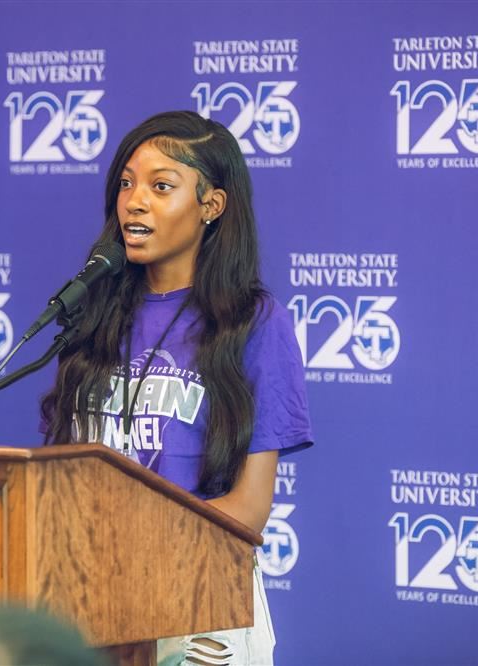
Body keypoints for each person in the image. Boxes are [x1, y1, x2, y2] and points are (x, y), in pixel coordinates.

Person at [40, 111, 313, 666]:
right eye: (126, 183)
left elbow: (249, 509)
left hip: (201, 607)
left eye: (161, 186)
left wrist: (139, 546)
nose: (134, 201)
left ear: (211, 205)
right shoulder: (93, 315)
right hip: (90, 600)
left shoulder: (253, 322)